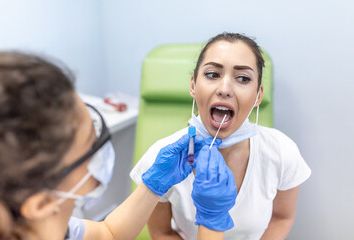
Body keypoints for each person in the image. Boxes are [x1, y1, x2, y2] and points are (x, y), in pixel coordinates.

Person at [0, 51, 237, 240]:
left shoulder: (50, 228)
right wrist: (211, 220)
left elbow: (109, 234)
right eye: (91, 151)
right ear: (42, 204)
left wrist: (152, 185)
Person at [130, 32, 312, 240]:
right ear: (193, 85)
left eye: (243, 78)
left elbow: (282, 218)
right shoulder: (161, 160)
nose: (224, 89)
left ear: (258, 95)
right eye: (212, 74)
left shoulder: (282, 151)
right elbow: (161, 232)